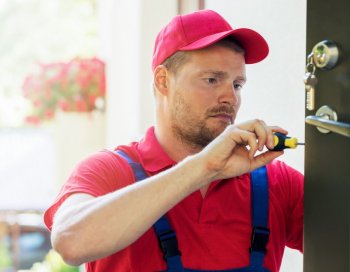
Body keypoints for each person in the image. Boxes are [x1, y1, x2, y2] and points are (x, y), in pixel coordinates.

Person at [44, 9, 303, 272]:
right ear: (163, 80)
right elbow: (69, 242)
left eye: (237, 84)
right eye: (212, 80)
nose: (230, 98)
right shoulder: (109, 171)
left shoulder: (277, 183)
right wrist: (204, 167)